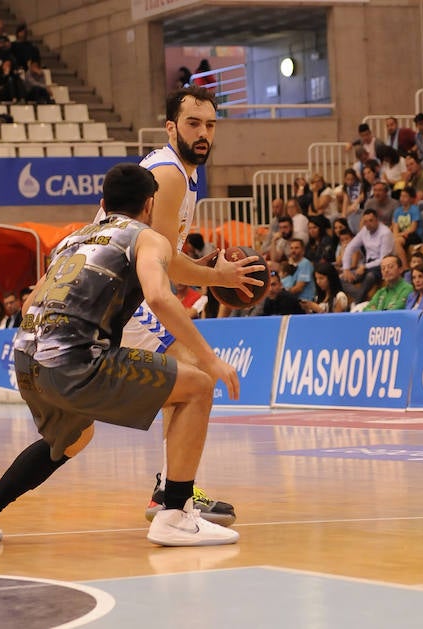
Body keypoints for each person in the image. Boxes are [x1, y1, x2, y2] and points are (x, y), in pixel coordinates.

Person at [0, 163, 241, 547]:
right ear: (150, 205)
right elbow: (157, 296)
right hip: (75, 360)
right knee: (199, 386)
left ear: (103, 204)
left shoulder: (74, 240)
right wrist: (211, 358)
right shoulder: (147, 236)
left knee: (73, 438)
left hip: (26, 361)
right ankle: (175, 514)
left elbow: (28, 306)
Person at [92, 87, 262, 526]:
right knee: (196, 375)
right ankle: (174, 497)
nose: (203, 133)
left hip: (110, 293)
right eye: (193, 124)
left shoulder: (179, 173)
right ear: (171, 127)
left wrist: (202, 268)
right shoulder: (168, 174)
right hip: (113, 296)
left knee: (185, 381)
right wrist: (218, 277)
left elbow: (166, 256)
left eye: (210, 125)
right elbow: (162, 264)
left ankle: (171, 491)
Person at [341, 208, 394, 303]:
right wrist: (346, 269)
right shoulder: (364, 231)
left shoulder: (385, 233)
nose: (368, 224)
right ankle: (359, 296)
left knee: (370, 276)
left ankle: (357, 302)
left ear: (377, 219)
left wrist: (365, 266)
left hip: (381, 266)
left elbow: (383, 259)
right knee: (342, 278)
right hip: (366, 264)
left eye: (371, 220)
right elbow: (350, 248)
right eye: (365, 221)